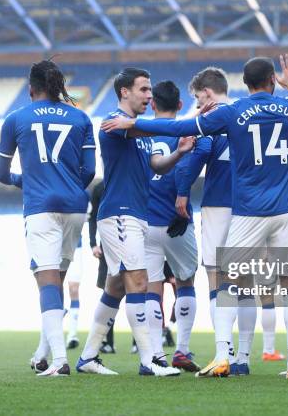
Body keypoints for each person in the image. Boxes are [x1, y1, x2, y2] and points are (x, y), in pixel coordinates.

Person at [101, 54, 288, 379]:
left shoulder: (233, 112)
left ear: (244, 84)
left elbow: (181, 127)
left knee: (227, 282)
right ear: (273, 80)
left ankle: (222, 355)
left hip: (249, 212)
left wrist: (135, 124)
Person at [75, 68, 193, 376]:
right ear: (124, 92)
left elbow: (158, 165)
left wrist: (179, 153)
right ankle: (150, 360)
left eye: (150, 90)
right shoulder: (114, 122)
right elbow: (151, 129)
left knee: (115, 287)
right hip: (119, 213)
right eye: (143, 89)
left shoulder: (138, 130)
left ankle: (88, 357)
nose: (149, 95)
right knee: (139, 282)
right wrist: (192, 123)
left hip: (135, 214)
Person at [175, 67, 284, 376]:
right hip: (250, 207)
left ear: (208, 94)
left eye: (197, 98)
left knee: (216, 279)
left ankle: (224, 352)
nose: (197, 103)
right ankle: (243, 359)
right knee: (245, 281)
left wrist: (182, 191)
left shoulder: (213, 119)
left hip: (218, 206)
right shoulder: (248, 112)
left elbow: (199, 154)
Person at [0, 59, 96, 377]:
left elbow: (0, 173)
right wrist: (67, 187)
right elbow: (90, 171)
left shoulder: (16, 119)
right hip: (76, 207)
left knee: (47, 281)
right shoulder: (81, 117)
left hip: (41, 207)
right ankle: (42, 352)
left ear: (30, 89)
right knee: (55, 282)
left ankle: (59, 361)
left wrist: (21, 181)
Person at [143, 80, 199, 372]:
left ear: (152, 104)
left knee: (152, 287)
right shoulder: (186, 132)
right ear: (180, 105)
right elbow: (187, 169)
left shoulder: (140, 133)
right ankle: (182, 350)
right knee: (186, 281)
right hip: (178, 219)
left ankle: (154, 355)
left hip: (146, 222)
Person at [88, 180, 116, 354]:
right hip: (106, 246)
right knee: (109, 292)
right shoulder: (99, 188)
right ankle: (108, 342)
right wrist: (92, 243)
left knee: (137, 291)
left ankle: (140, 344)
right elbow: (92, 218)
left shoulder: (128, 179)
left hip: (131, 241)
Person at [66, 238, 83, 349]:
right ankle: (52, 335)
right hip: (53, 244)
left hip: (75, 246)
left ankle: (72, 334)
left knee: (74, 289)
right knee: (55, 290)